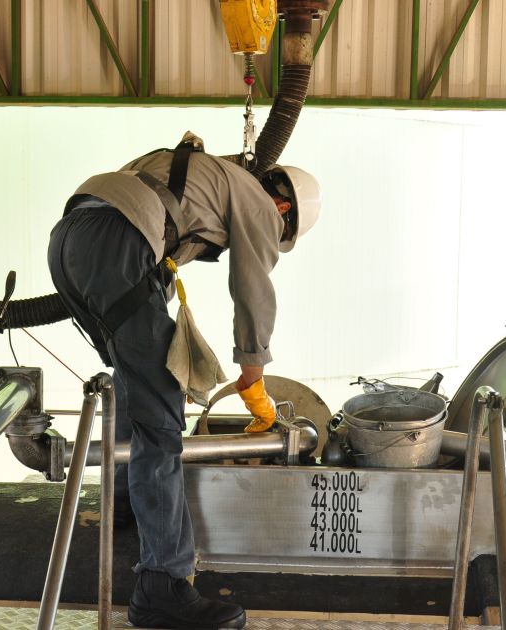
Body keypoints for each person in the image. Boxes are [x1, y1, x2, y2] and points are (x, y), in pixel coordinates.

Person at [47, 132, 321, 629]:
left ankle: (124, 503)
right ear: (283, 206)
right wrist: (253, 375)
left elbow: (153, 232)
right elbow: (253, 287)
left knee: (135, 381)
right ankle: (164, 585)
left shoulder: (198, 170)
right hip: (117, 241)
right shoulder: (258, 201)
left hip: (67, 240)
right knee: (162, 412)